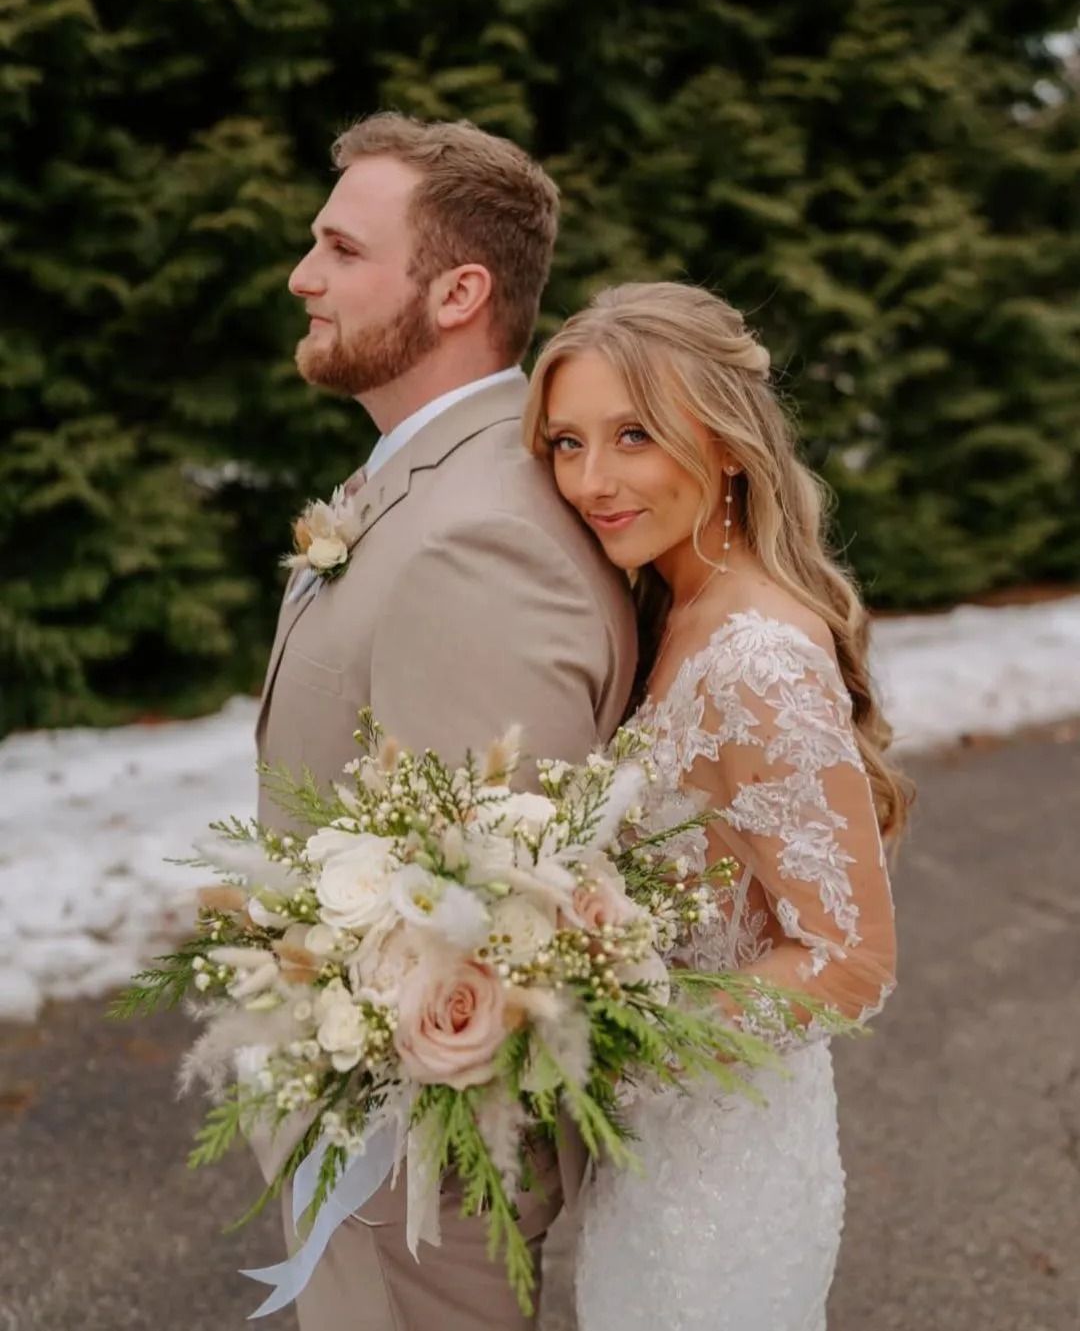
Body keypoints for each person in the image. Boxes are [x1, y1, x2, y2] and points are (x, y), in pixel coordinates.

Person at [254, 113, 637, 1331]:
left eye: (340, 248)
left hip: (418, 1179)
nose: (303, 274)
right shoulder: (416, 482)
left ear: (459, 289)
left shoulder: (483, 532)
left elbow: (503, 921)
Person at [523, 281, 907, 1331]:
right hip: (653, 1159)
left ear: (725, 440)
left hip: (724, 1183)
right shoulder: (664, 606)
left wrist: (612, 1033)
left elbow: (851, 959)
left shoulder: (759, 661)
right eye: (565, 442)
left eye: (633, 435)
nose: (591, 480)